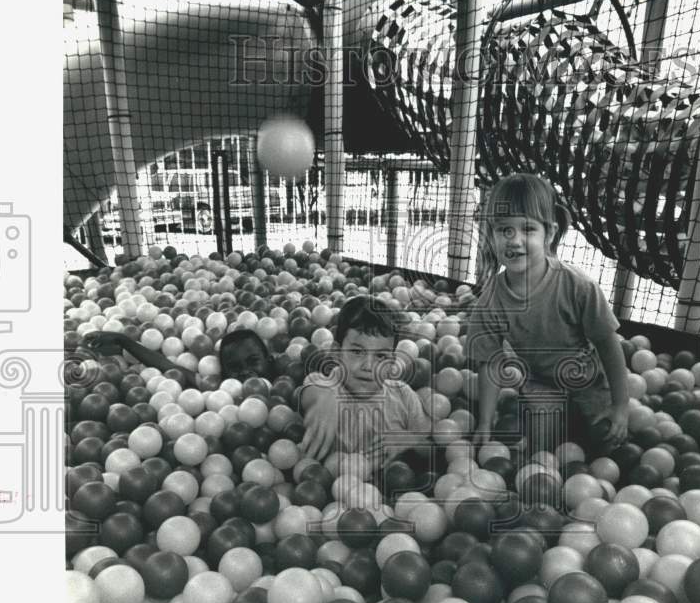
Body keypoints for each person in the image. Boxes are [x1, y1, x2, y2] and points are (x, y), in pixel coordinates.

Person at [463, 173, 629, 455]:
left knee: (607, 440)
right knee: (540, 449)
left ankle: (582, 423)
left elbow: (608, 344)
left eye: (527, 229)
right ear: (490, 236)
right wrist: (485, 422)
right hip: (540, 383)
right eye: (504, 230)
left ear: (549, 234)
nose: (514, 240)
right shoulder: (491, 299)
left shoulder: (577, 285)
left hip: (586, 380)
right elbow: (490, 364)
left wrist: (621, 407)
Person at [300, 295, 434, 477]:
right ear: (337, 353)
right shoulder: (327, 385)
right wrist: (326, 398)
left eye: (380, 356)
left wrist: (410, 441)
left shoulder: (403, 395)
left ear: (392, 362)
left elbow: (431, 448)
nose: (368, 366)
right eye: (357, 351)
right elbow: (311, 392)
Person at [82, 327, 273, 386]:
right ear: (223, 373)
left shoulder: (287, 385)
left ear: (269, 361)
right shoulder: (217, 391)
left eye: (253, 361)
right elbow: (169, 367)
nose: (245, 372)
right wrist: (123, 340)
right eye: (234, 367)